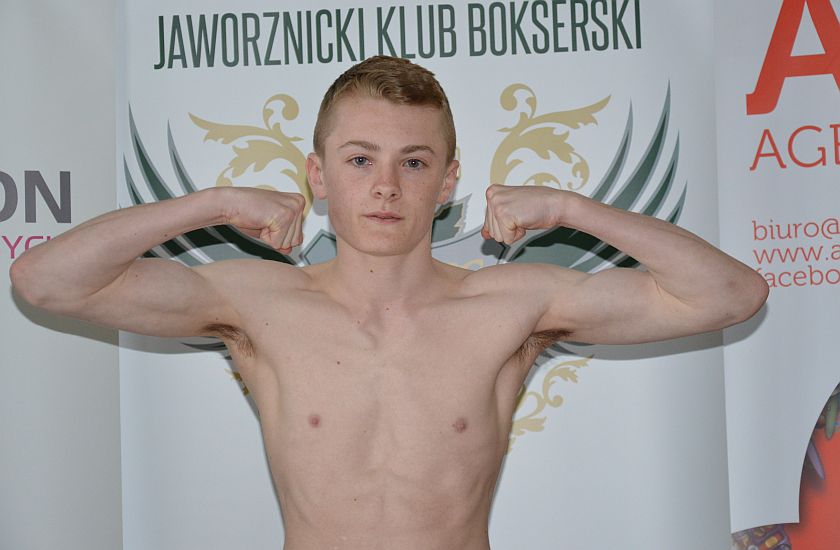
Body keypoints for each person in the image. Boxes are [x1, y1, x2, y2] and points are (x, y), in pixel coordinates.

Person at [8, 56, 768, 549]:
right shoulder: (256, 301)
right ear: (317, 174)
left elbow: (732, 294)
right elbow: (45, 281)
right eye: (359, 159)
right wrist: (209, 205)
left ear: (447, 181)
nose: (385, 187)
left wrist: (573, 210)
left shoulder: (509, 304)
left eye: (413, 163)